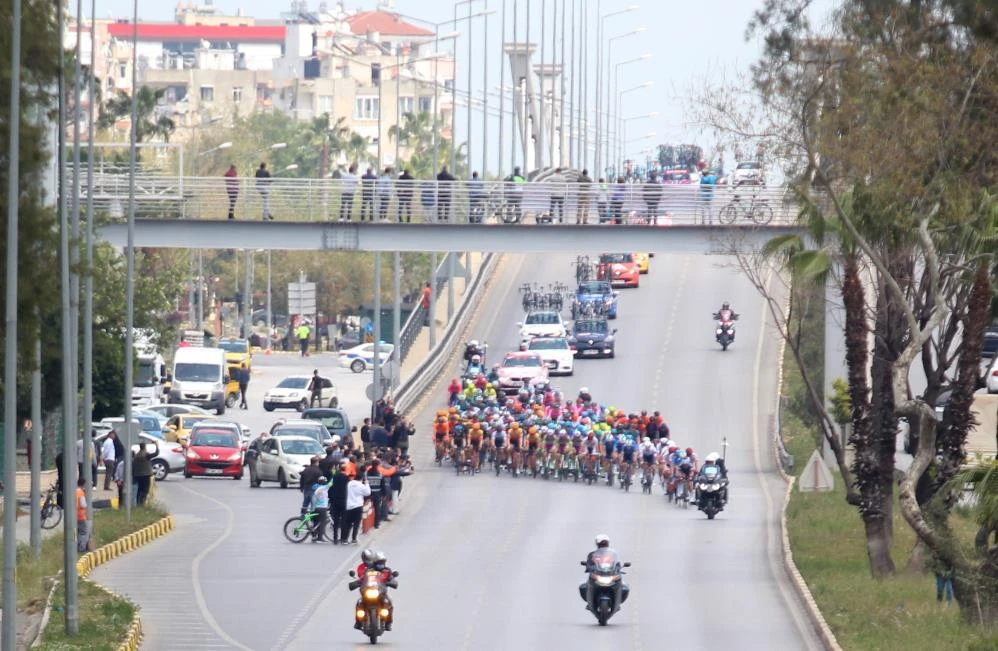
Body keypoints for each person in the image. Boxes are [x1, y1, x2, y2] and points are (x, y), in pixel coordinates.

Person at [351, 550, 398, 630]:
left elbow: (391, 579)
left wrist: (392, 582)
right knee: (359, 603)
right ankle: (358, 622)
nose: (381, 564)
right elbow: (362, 578)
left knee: (389, 602)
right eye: (379, 562)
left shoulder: (387, 571)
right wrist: (356, 583)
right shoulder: (369, 570)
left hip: (380, 592)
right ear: (375, 562)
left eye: (382, 562)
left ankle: (388, 623)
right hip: (368, 590)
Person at [342, 471, 371, 544]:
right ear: (362, 479)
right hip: (358, 506)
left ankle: (345, 539)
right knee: (356, 523)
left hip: (349, 506)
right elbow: (368, 493)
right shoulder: (361, 486)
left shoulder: (349, 483)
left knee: (348, 523)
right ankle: (354, 538)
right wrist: (367, 483)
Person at [132, 441, 159, 506]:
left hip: (138, 475)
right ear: (145, 447)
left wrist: (133, 475)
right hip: (146, 475)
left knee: (139, 489)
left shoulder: (136, 455)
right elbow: (156, 453)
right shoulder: (146, 455)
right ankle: (142, 503)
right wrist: (156, 446)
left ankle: (138, 503)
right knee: (145, 490)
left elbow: (133, 466)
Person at [311, 476, 330, 542]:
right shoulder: (324, 488)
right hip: (322, 508)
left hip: (316, 507)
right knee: (322, 522)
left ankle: (314, 537)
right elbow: (332, 483)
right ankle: (320, 537)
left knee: (315, 522)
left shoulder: (316, 489)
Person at [75, 478, 89, 552]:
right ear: (83, 484)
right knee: (83, 532)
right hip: (80, 515)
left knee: (76, 532)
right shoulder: (81, 493)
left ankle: (75, 546)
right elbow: (83, 504)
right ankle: (81, 548)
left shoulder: (74, 491)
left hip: (74, 516)